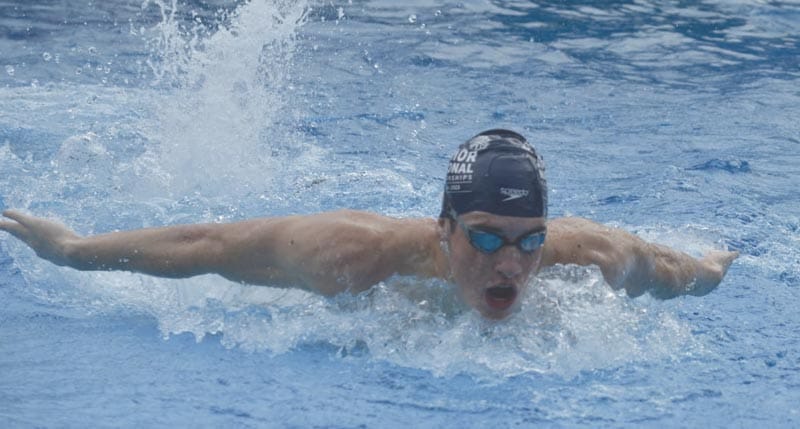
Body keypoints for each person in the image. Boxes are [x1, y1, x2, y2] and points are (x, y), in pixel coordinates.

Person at [0, 129, 738, 319]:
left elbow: (678, 269)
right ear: (444, 228)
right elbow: (211, 245)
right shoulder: (354, 255)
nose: (510, 264)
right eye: (485, 236)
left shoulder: (591, 259)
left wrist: (713, 265)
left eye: (527, 241)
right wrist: (71, 250)